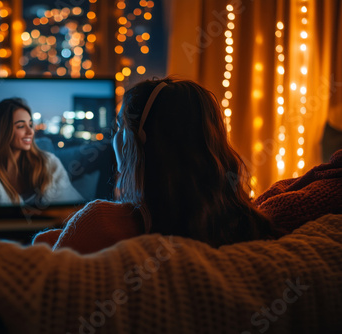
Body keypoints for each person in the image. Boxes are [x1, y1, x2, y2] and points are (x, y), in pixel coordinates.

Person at [32, 78, 280, 253]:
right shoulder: (250, 223)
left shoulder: (103, 223)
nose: (114, 138)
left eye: (119, 128)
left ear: (136, 142)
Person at [0, 98, 83, 207]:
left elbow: (72, 212)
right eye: (21, 126)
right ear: (1, 132)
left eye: (30, 124)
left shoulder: (49, 163)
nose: (30, 132)